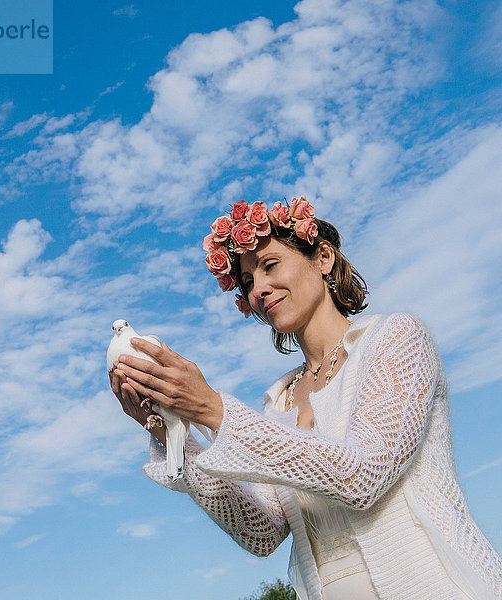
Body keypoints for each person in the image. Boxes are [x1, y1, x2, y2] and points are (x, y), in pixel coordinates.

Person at [109, 195, 502, 600]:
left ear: (324, 258)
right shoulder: (278, 401)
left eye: (270, 265)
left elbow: (363, 476)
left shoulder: (396, 339)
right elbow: (262, 531)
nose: (258, 289)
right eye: (247, 282)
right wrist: (166, 426)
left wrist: (211, 408)